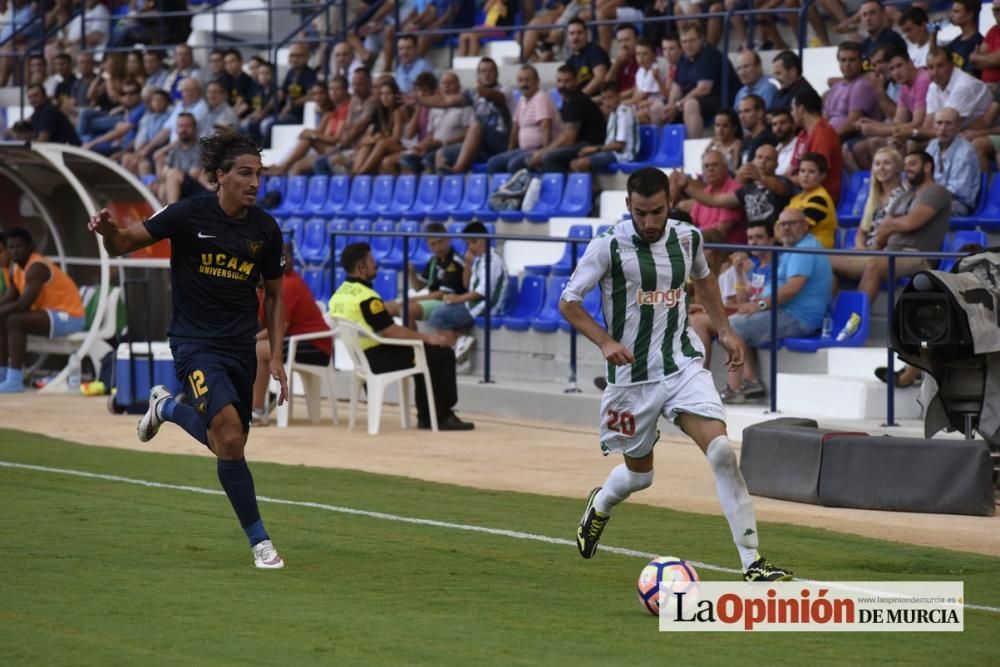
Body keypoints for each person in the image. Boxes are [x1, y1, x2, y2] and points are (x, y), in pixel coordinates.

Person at [558, 167, 791, 582]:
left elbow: (704, 280)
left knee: (721, 451)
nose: (649, 222)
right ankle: (601, 505)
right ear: (628, 206)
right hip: (632, 380)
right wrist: (605, 342)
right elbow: (569, 302)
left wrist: (725, 331)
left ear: (670, 203)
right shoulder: (607, 246)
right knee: (639, 476)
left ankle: (753, 562)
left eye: (657, 212)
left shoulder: (688, 237)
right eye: (641, 213)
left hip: (683, 363)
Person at [87, 129, 290, 570]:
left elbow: (275, 297)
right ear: (219, 176)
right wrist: (108, 233)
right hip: (195, 343)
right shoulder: (185, 214)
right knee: (231, 436)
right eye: (245, 172)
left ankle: (167, 409)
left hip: (239, 345)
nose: (255, 181)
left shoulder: (265, 230)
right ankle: (260, 542)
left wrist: (275, 355)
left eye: (259, 173)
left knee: (226, 445)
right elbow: (123, 243)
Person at [330, 242, 474, 431]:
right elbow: (391, 331)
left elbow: (373, 317)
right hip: (379, 358)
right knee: (441, 352)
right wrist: (427, 338)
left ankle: (428, 416)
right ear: (361, 267)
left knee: (426, 354)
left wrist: (395, 305)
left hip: (361, 358)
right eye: (372, 261)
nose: (376, 264)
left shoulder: (338, 295)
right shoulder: (366, 297)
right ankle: (440, 416)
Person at [723, 207, 832, 403]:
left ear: (805, 226)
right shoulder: (792, 248)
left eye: (792, 223)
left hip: (798, 317)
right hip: (783, 311)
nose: (786, 228)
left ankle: (734, 389)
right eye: (783, 224)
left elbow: (792, 289)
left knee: (732, 325)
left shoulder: (804, 250)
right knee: (733, 321)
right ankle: (749, 382)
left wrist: (760, 305)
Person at [252, 243, 332, 426]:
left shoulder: (287, 285)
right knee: (244, 348)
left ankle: (255, 411)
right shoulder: (263, 289)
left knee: (258, 350)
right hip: (293, 341)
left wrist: (250, 339)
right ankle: (256, 400)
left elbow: (279, 327)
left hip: (315, 346)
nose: (285, 261)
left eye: (286, 257)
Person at [857, 150, 951, 306]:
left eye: (913, 164)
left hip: (918, 256)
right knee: (826, 261)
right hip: (889, 252)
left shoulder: (938, 191)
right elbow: (883, 228)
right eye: (906, 165)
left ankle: (855, 323)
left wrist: (893, 224)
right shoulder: (905, 195)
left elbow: (909, 224)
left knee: (873, 266)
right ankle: (824, 320)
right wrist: (893, 226)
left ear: (927, 167)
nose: (907, 169)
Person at [0, 227, 85, 393]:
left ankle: (14, 380)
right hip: (49, 315)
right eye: (10, 247)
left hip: (70, 317)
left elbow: (23, 304)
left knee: (14, 320)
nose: (14, 252)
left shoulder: (36, 267)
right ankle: (2, 374)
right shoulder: (16, 268)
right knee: (4, 319)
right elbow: (9, 298)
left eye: (19, 247)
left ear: (30, 246)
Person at [427, 221, 508, 362]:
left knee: (438, 316)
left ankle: (454, 354)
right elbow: (466, 285)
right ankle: (460, 342)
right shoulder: (479, 260)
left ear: (484, 239)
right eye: (468, 244)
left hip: (487, 306)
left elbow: (482, 292)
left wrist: (457, 299)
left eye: (473, 242)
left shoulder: (491, 261)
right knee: (442, 310)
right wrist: (468, 264)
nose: (470, 247)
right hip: (475, 304)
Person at [830, 146, 908, 280]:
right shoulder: (874, 198)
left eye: (887, 163)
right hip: (868, 251)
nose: (881, 168)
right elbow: (861, 232)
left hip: (887, 254)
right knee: (823, 267)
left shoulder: (904, 197)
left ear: (898, 168)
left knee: (825, 262)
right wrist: (862, 249)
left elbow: (893, 233)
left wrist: (870, 251)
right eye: (877, 164)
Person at [386, 222, 466, 326]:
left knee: (407, 310)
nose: (437, 248)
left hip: (449, 302)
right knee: (385, 308)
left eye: (440, 242)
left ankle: (411, 342)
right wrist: (412, 273)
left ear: (448, 239)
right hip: (432, 298)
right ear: (428, 245)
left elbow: (441, 294)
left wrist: (411, 300)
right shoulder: (433, 260)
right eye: (433, 244)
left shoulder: (454, 261)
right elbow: (419, 288)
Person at [569, 82, 639, 173]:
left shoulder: (624, 113)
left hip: (623, 155)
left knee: (581, 164)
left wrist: (594, 149)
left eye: (610, 97)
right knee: (573, 163)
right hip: (610, 153)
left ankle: (593, 186)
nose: (607, 102)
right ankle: (594, 186)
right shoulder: (613, 114)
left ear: (618, 97)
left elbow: (619, 146)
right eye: (604, 99)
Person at [790, 88, 843, 203]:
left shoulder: (823, 134)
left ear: (801, 109)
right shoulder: (803, 134)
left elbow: (814, 177)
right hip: (802, 190)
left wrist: (783, 181)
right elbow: (792, 169)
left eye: (792, 109)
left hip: (821, 196)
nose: (791, 114)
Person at [925, 107, 980, 216]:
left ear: (958, 126)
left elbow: (957, 189)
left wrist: (925, 196)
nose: (943, 128)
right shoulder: (932, 145)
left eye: (948, 123)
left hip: (958, 203)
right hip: (933, 197)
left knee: (922, 210)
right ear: (933, 126)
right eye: (939, 123)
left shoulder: (966, 151)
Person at [787, 152, 838, 249]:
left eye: (811, 172)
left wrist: (784, 232)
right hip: (799, 249)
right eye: (802, 171)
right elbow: (779, 227)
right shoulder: (795, 199)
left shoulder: (820, 198)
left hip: (817, 252)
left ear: (822, 176)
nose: (805, 175)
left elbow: (799, 230)